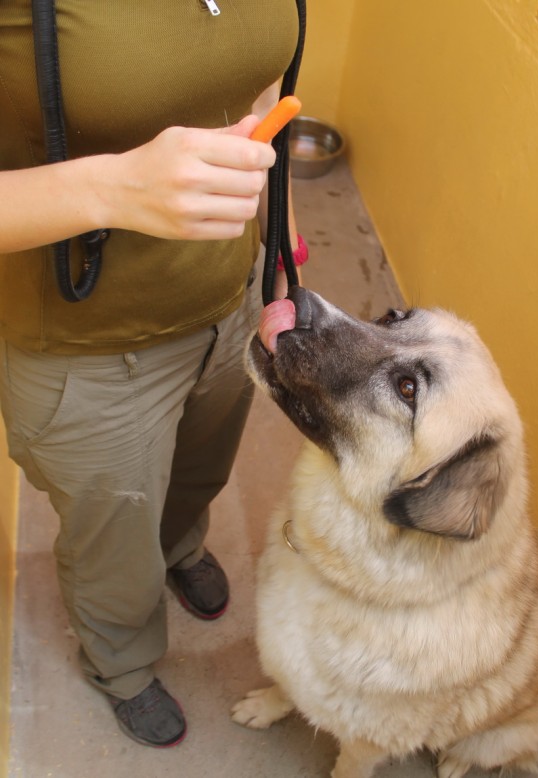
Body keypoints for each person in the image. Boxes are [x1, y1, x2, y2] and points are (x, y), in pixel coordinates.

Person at [0, 0, 304, 748]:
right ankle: (121, 663)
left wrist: (280, 221)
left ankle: (180, 548)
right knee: (113, 533)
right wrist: (110, 190)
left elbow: (256, 85)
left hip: (228, 297)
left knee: (199, 466)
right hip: (88, 340)